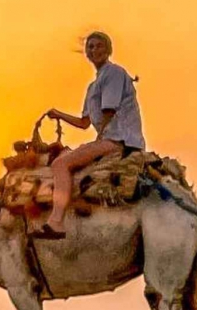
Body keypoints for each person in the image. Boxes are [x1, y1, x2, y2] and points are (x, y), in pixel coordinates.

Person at [33, 31, 145, 240]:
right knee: (66, 157)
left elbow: (109, 110)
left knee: (60, 164)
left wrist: (98, 138)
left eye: (99, 46)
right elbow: (84, 123)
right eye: (90, 47)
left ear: (108, 50)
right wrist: (59, 114)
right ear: (86, 52)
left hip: (119, 140)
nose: (94, 50)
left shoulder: (114, 73)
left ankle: (56, 222)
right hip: (109, 138)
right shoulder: (93, 86)